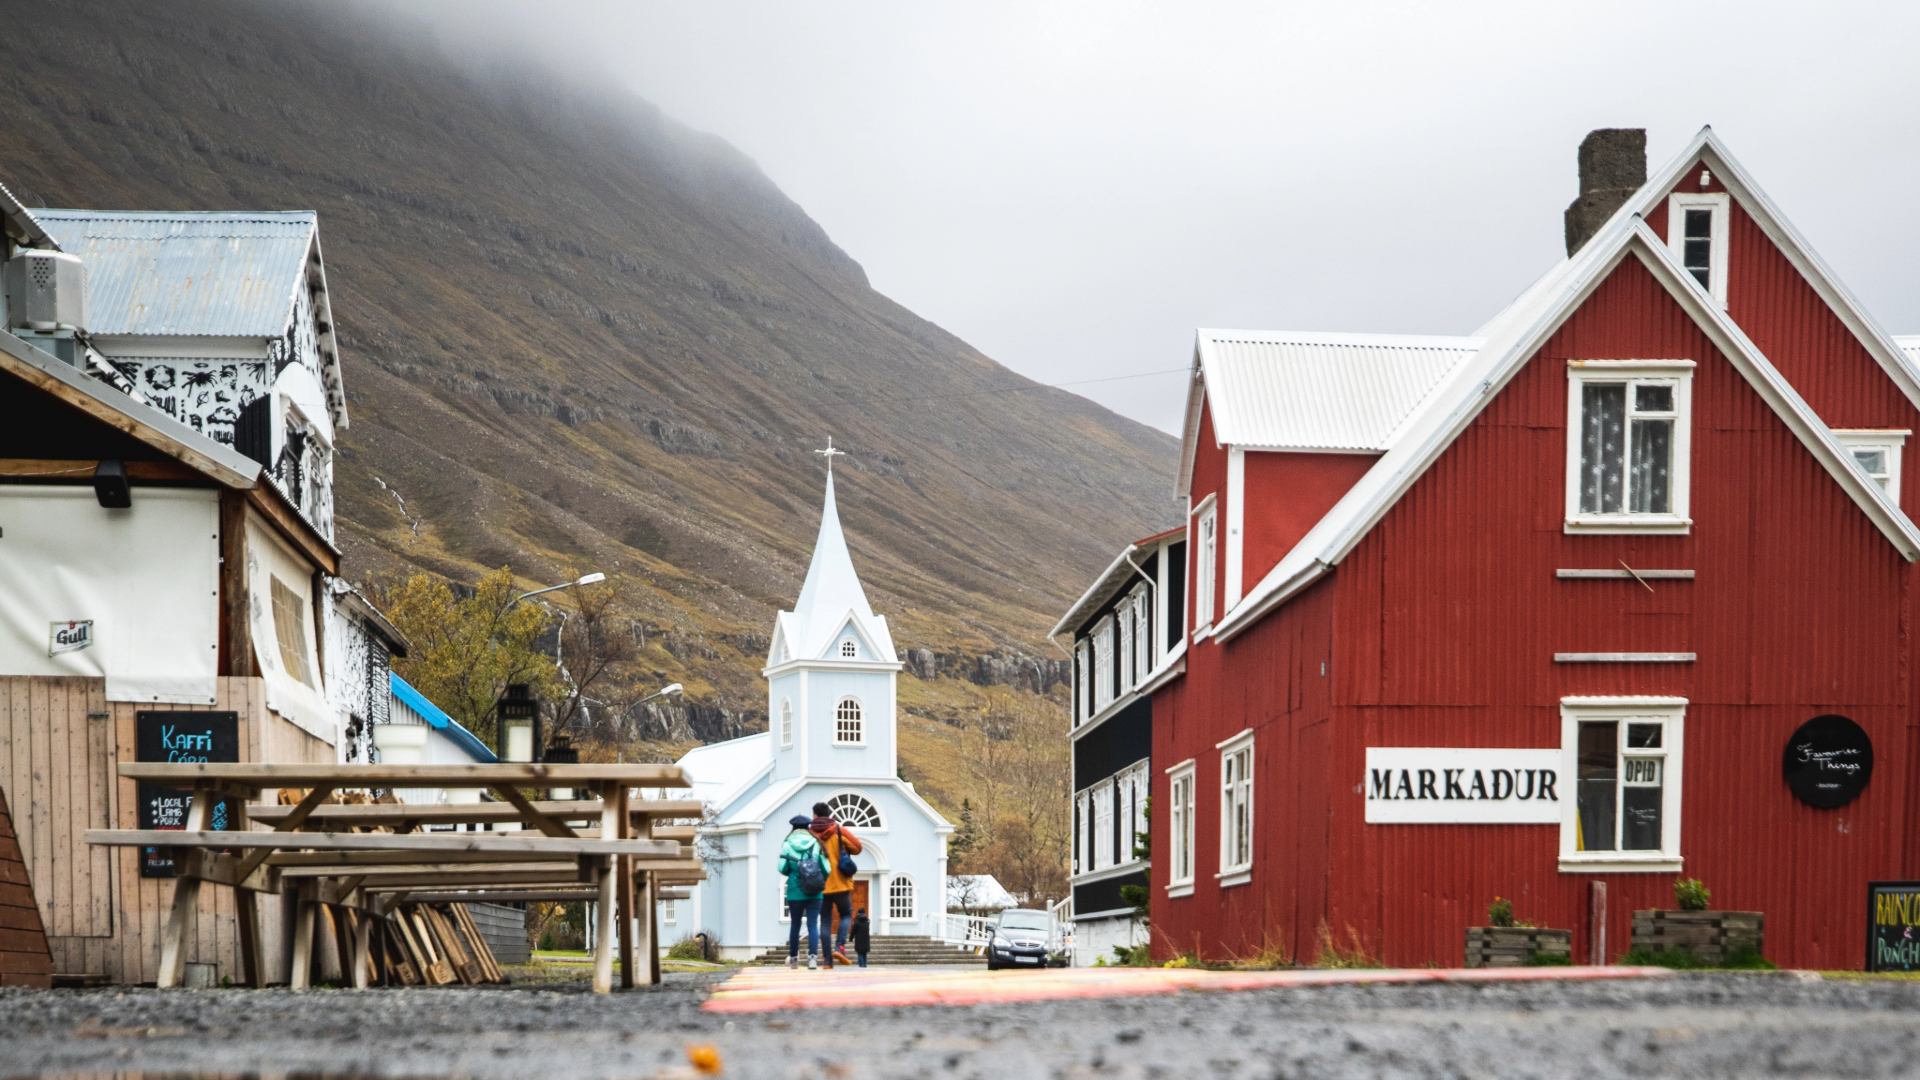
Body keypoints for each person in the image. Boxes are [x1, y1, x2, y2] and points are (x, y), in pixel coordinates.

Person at [809, 800, 864, 968]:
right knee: (846, 914)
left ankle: (827, 960)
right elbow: (858, 847)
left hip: (820, 884)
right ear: (829, 814)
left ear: (815, 815)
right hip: (840, 882)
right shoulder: (839, 830)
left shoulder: (810, 834)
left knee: (825, 920)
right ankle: (840, 946)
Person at [776, 813, 829, 969]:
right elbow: (826, 868)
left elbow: (781, 867)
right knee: (812, 924)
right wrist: (818, 877)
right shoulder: (816, 843)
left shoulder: (787, 844)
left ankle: (793, 959)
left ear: (793, 827)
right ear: (808, 827)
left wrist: (793, 872)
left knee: (795, 924)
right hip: (815, 891)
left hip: (795, 890)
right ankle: (812, 959)